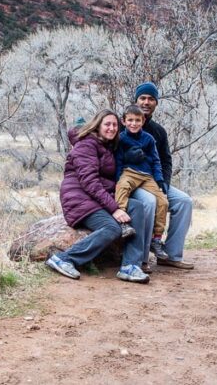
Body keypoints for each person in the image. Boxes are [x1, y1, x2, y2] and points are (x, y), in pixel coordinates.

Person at [46, 109, 154, 283]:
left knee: (137, 207)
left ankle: (130, 266)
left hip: (95, 197)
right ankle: (65, 258)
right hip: (79, 199)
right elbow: (89, 182)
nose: (112, 128)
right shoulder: (86, 144)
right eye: (107, 124)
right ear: (97, 125)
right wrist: (115, 209)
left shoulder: (106, 145)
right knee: (113, 228)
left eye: (115, 125)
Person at [130, 82, 195, 269]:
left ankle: (171, 255)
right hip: (131, 183)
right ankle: (141, 260)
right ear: (136, 100)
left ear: (156, 103)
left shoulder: (158, 131)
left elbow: (166, 161)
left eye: (151, 99)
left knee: (184, 201)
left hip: (154, 181)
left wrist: (164, 185)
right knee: (149, 202)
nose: (146, 102)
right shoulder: (124, 124)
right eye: (142, 98)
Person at [113, 105, 169, 260]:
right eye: (130, 120)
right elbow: (118, 159)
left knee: (163, 201)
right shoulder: (122, 138)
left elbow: (157, 161)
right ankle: (123, 223)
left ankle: (156, 239)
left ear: (143, 121)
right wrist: (118, 178)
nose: (134, 123)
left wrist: (159, 179)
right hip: (129, 172)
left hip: (147, 176)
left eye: (137, 120)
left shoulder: (149, 139)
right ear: (123, 121)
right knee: (122, 188)